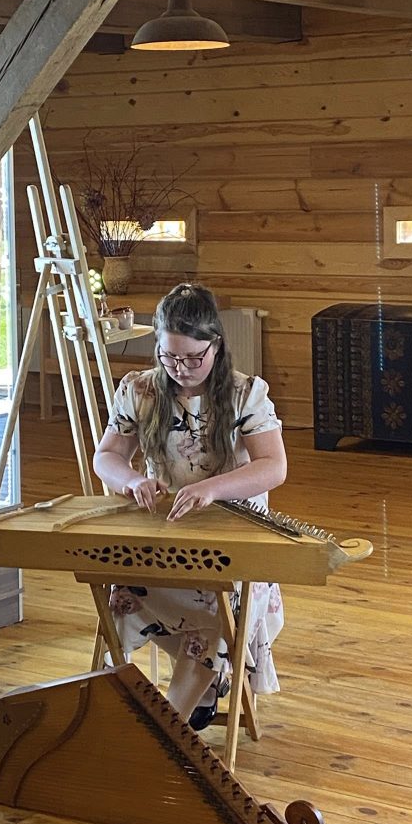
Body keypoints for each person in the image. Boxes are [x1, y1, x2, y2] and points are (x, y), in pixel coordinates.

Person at [93, 282, 287, 729]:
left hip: (234, 537)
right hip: (169, 532)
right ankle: (180, 697)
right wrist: (133, 480)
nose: (180, 368)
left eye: (193, 357)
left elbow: (274, 466)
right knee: (123, 596)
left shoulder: (245, 393)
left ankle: (169, 728)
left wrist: (212, 489)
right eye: (169, 357)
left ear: (215, 344)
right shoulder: (140, 389)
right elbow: (107, 456)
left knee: (219, 612)